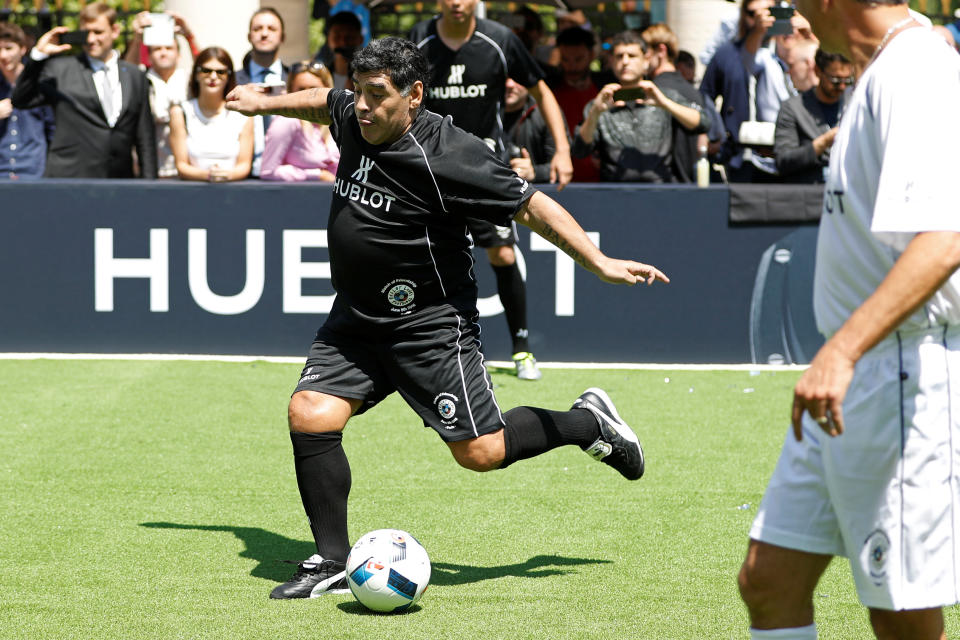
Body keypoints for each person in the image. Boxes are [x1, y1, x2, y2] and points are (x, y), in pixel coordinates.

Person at [225, 36, 668, 600]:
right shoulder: (354, 115)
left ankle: (587, 424)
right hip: (357, 319)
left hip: (430, 328)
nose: (361, 105)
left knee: (481, 453)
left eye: (376, 95)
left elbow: (531, 205)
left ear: (414, 95)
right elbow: (323, 101)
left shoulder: (451, 154)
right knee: (310, 413)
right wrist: (263, 103)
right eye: (359, 90)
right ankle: (331, 559)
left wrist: (599, 262)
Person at [737, 0, 960, 638]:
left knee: (899, 611)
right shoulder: (880, 68)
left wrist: (843, 351)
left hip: (901, 374)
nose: (794, 13)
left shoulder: (916, 69)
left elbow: (944, 237)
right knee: (769, 580)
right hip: (856, 370)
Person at [409, 0, 575, 380]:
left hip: (484, 169)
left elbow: (543, 92)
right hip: (426, 169)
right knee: (421, 258)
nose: (455, 2)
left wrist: (563, 150)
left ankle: (521, 348)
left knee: (502, 254)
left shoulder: (500, 40)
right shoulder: (416, 40)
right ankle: (423, 350)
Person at [12, 2, 157, 178]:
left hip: (118, 183)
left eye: (98, 32)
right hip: (71, 181)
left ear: (115, 31)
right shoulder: (60, 70)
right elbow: (21, 99)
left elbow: (145, 139)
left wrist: (150, 186)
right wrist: (38, 56)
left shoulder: (135, 76)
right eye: (86, 32)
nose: (90, 39)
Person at [574, 31, 705, 183]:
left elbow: (702, 123)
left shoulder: (663, 96)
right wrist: (595, 113)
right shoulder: (600, 104)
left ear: (646, 60)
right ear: (611, 60)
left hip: (662, 192)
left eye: (632, 56)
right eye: (619, 56)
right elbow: (580, 150)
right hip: (614, 194)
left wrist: (664, 103)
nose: (625, 61)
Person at [700, 0, 790, 182]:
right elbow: (705, 95)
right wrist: (716, 133)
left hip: (783, 152)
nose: (759, 19)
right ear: (742, 15)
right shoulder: (727, 54)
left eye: (767, 12)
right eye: (752, 14)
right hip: (738, 154)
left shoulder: (788, 51)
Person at [124, 11, 197, 178]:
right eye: (157, 49)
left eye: (169, 48)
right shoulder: (143, 78)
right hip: (150, 168)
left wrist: (189, 36)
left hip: (184, 169)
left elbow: (209, 66)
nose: (163, 52)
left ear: (179, 54)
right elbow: (126, 73)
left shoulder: (187, 79)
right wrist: (137, 38)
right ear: (149, 55)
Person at [641, 23, 715, 183]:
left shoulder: (653, 92)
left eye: (645, 52)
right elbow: (703, 144)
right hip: (690, 184)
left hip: (662, 186)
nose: (642, 59)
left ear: (661, 50)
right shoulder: (694, 92)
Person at [169, 47, 253, 183]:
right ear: (196, 74)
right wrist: (208, 176)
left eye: (221, 72)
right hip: (193, 194)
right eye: (206, 70)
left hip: (233, 193)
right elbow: (182, 166)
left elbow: (244, 165)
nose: (213, 76)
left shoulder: (243, 114)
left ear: (229, 76)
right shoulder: (180, 113)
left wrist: (225, 176)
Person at [773, 49, 851, 183]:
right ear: (818, 71)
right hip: (809, 191)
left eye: (848, 80)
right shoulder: (793, 108)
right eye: (836, 80)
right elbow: (783, 160)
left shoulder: (855, 104)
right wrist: (823, 142)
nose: (842, 87)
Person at [549, 26, 612, 182]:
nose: (572, 66)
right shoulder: (549, 94)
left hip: (603, 182)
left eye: (578, 59)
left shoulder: (607, 90)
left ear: (591, 56)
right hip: (560, 180)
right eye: (565, 59)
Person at [261, 60, 339, 182]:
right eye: (301, 89)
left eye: (314, 90)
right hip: (304, 196)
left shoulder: (337, 121)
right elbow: (268, 171)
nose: (307, 96)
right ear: (291, 92)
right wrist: (316, 174)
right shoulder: (286, 121)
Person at [236, 7, 289, 177]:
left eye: (271, 29)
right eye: (257, 28)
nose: (264, 34)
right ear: (249, 36)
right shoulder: (233, 82)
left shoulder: (296, 82)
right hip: (242, 175)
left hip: (288, 174)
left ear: (282, 37)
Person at [0, 22, 54, 180]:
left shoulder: (38, 83)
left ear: (22, 49)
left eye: (9, 48)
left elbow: (52, 130)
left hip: (33, 172)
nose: (3, 55)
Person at [503, 77, 556, 183]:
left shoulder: (546, 114)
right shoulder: (481, 114)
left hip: (537, 192)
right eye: (504, 78)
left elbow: (563, 166)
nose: (509, 84)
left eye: (516, 77)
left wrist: (534, 172)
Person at [314, 11, 363, 90]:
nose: (343, 43)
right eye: (337, 37)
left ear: (360, 39)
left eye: (349, 37)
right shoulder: (319, 77)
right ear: (328, 40)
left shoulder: (371, 76)